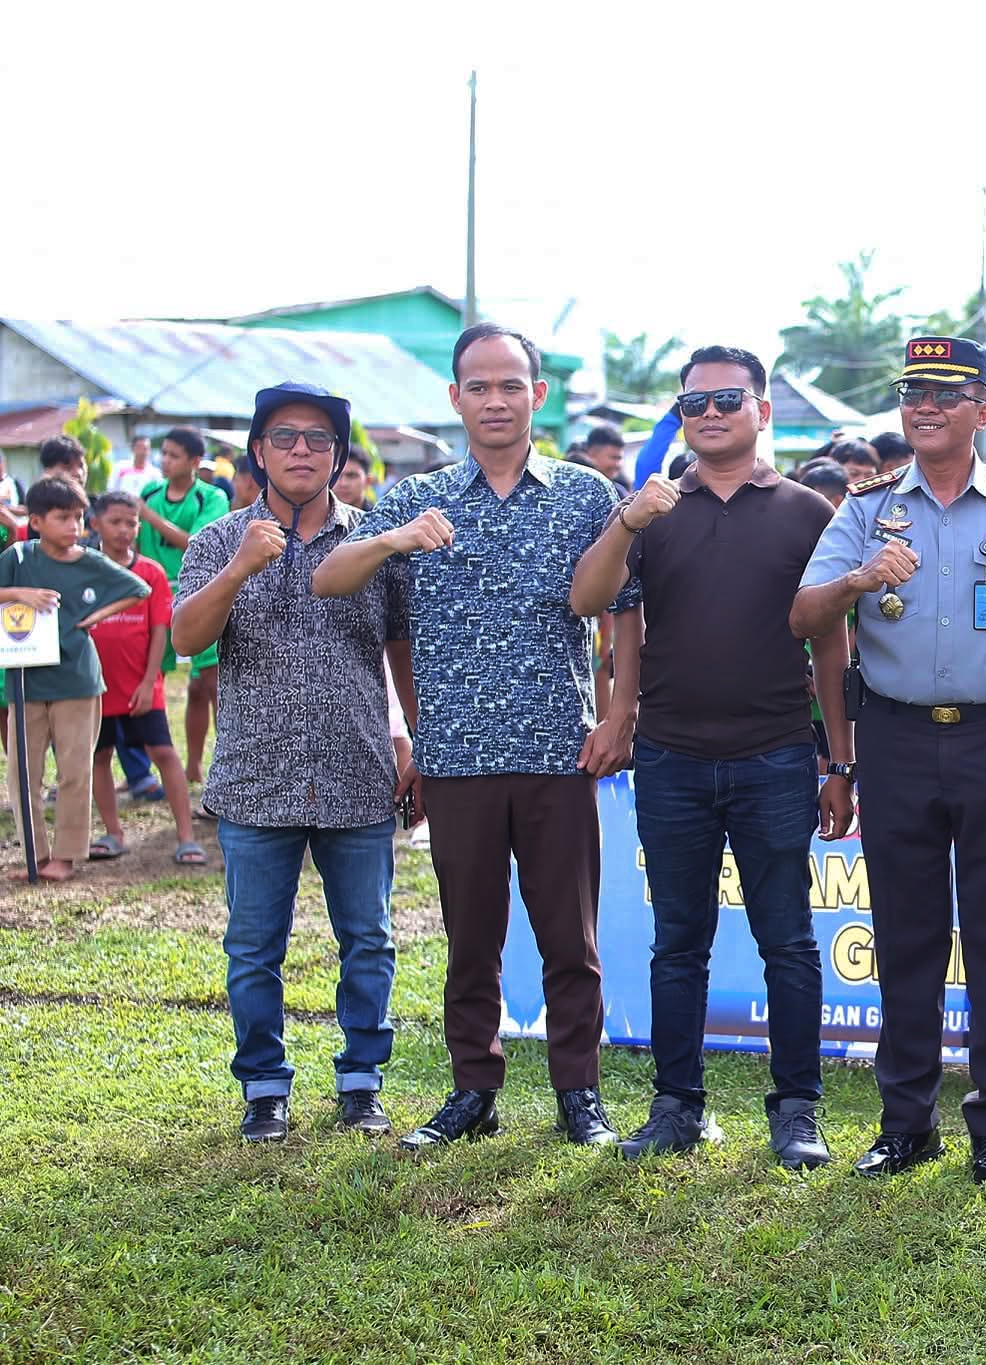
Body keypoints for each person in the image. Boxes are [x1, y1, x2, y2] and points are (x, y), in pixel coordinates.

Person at [313, 323, 638, 1151]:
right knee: (472, 938)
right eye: (479, 386)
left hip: (557, 750)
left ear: (538, 394)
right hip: (454, 758)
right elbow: (330, 580)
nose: (496, 400)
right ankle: (473, 1089)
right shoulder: (416, 500)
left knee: (571, 937)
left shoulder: (582, 493)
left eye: (511, 385)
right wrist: (390, 537)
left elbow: (624, 611)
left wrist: (619, 713)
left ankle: (579, 1093)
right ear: (454, 398)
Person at [792, 335, 986, 1184]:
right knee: (906, 936)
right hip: (897, 739)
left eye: (947, 393)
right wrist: (856, 582)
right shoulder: (863, 510)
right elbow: (805, 619)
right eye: (913, 391)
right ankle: (905, 1121)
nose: (924, 405)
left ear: (983, 413)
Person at [570, 343, 850, 1170]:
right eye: (694, 404)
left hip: (775, 757)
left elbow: (830, 647)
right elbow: (592, 603)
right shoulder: (651, 510)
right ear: (681, 417)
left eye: (729, 399)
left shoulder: (806, 512)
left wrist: (839, 760)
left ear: (762, 409)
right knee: (677, 941)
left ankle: (796, 1109)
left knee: (788, 940)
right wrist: (627, 518)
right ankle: (677, 1105)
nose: (712, 414)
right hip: (672, 759)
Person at [173, 381, 413, 1143]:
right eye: (284, 437)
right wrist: (241, 566)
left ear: (340, 455)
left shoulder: (374, 540)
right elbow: (184, 638)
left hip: (358, 772)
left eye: (317, 438)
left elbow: (399, 650)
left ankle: (361, 1080)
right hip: (254, 778)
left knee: (369, 938)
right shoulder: (218, 540)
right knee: (253, 949)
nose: (301, 450)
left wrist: (414, 740)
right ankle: (265, 1087)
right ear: (257, 452)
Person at [1, 478, 149, 881]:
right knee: (22, 774)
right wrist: (17, 593)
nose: (74, 526)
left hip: (77, 682)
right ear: (35, 521)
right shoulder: (18, 557)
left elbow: (139, 588)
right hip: (25, 680)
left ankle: (64, 857)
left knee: (74, 770)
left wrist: (95, 618)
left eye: (79, 517)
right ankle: (35, 855)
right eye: (62, 517)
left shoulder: (91, 561)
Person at [83, 491, 203, 864]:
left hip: (141, 686)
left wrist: (150, 681)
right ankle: (113, 833)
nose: (124, 530)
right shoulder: (84, 570)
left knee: (164, 754)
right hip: (94, 688)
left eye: (131, 523)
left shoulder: (150, 572)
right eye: (115, 522)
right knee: (99, 756)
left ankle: (186, 837)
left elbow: (158, 631)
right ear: (95, 524)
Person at [138, 426, 232, 790]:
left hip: (199, 597)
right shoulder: (150, 493)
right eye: (164, 454)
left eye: (174, 455)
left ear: (194, 462)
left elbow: (196, 543)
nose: (165, 461)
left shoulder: (211, 498)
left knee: (212, 682)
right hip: (154, 596)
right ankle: (186, 767)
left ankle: (224, 765)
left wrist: (147, 515)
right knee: (164, 681)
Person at [584, 423, 631, 494]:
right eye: (613, 458)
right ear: (592, 454)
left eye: (620, 458)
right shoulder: (569, 483)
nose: (618, 465)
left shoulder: (619, 489)